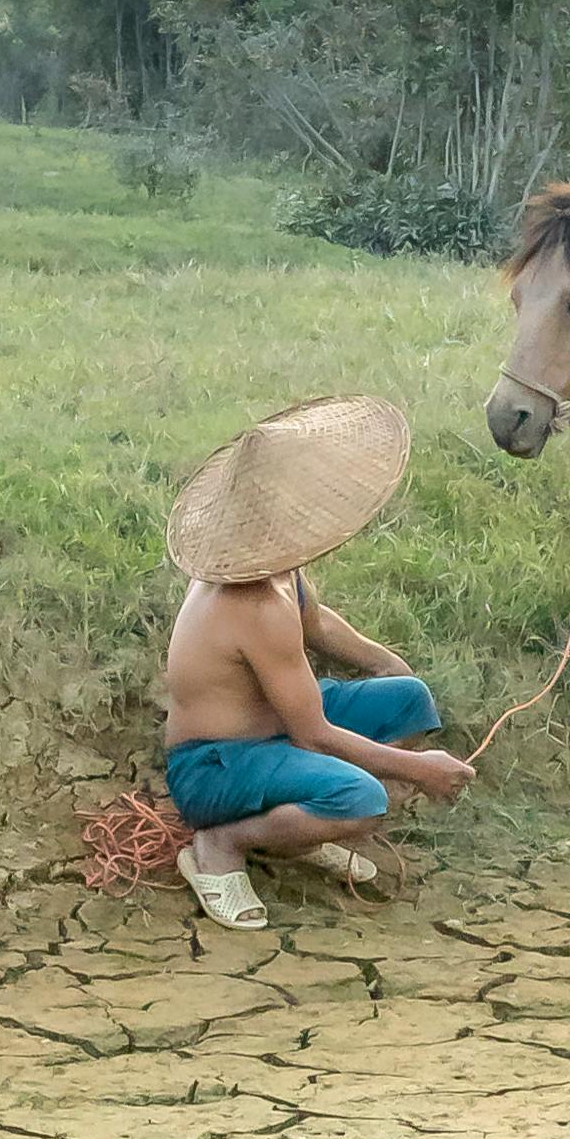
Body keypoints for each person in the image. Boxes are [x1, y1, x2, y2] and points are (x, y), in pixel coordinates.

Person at [161, 393, 474, 930]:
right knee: (360, 798)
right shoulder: (252, 602)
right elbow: (315, 735)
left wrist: (388, 665)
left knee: (408, 700)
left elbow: (319, 623)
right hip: (217, 763)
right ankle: (223, 843)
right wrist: (421, 770)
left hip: (277, 730)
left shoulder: (280, 570)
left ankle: (299, 823)